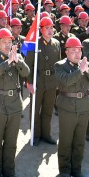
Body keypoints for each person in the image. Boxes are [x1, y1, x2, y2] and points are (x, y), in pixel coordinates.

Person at [0, 29, 29, 177]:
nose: (7, 45)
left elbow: (27, 72)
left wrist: (18, 61)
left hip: (14, 104)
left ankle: (9, 171)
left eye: (9, 42)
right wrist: (7, 62)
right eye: (4, 42)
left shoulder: (17, 57)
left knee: (11, 141)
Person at [54, 36, 89, 177]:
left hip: (84, 106)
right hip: (67, 106)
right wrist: (80, 71)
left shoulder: (85, 64)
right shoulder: (60, 65)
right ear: (66, 52)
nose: (77, 54)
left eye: (79, 51)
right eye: (73, 51)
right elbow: (66, 81)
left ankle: (76, 169)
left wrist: (87, 71)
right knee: (66, 140)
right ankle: (65, 170)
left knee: (79, 141)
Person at [25, 16, 61, 145]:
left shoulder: (56, 43)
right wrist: (28, 83)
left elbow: (58, 64)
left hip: (51, 82)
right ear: (41, 29)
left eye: (51, 27)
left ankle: (46, 134)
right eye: (47, 28)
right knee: (35, 110)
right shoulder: (34, 44)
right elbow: (28, 65)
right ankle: (36, 135)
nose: (50, 30)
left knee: (48, 110)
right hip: (38, 81)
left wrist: (58, 82)